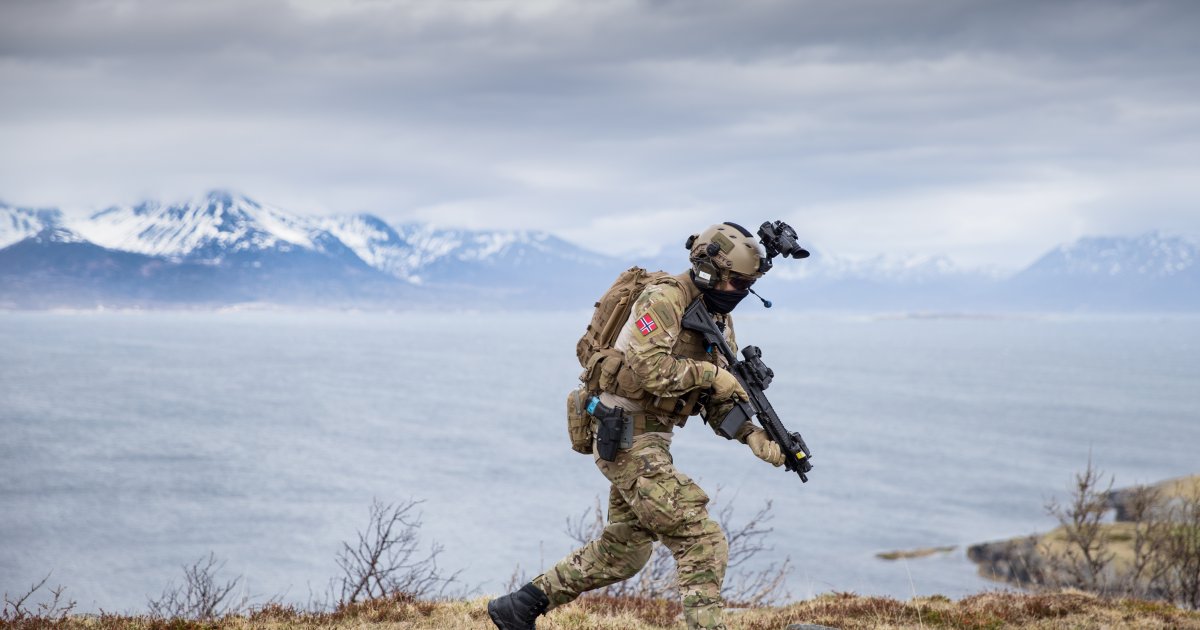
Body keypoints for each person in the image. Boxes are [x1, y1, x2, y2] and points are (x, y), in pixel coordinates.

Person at [488, 222, 787, 630]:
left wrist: (751, 435)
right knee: (701, 539)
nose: (740, 292)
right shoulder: (663, 299)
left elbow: (713, 399)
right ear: (708, 269)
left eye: (748, 285)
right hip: (624, 431)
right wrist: (713, 375)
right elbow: (651, 370)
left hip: (650, 438)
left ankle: (517, 607)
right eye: (737, 282)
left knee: (625, 551)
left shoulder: (718, 318)